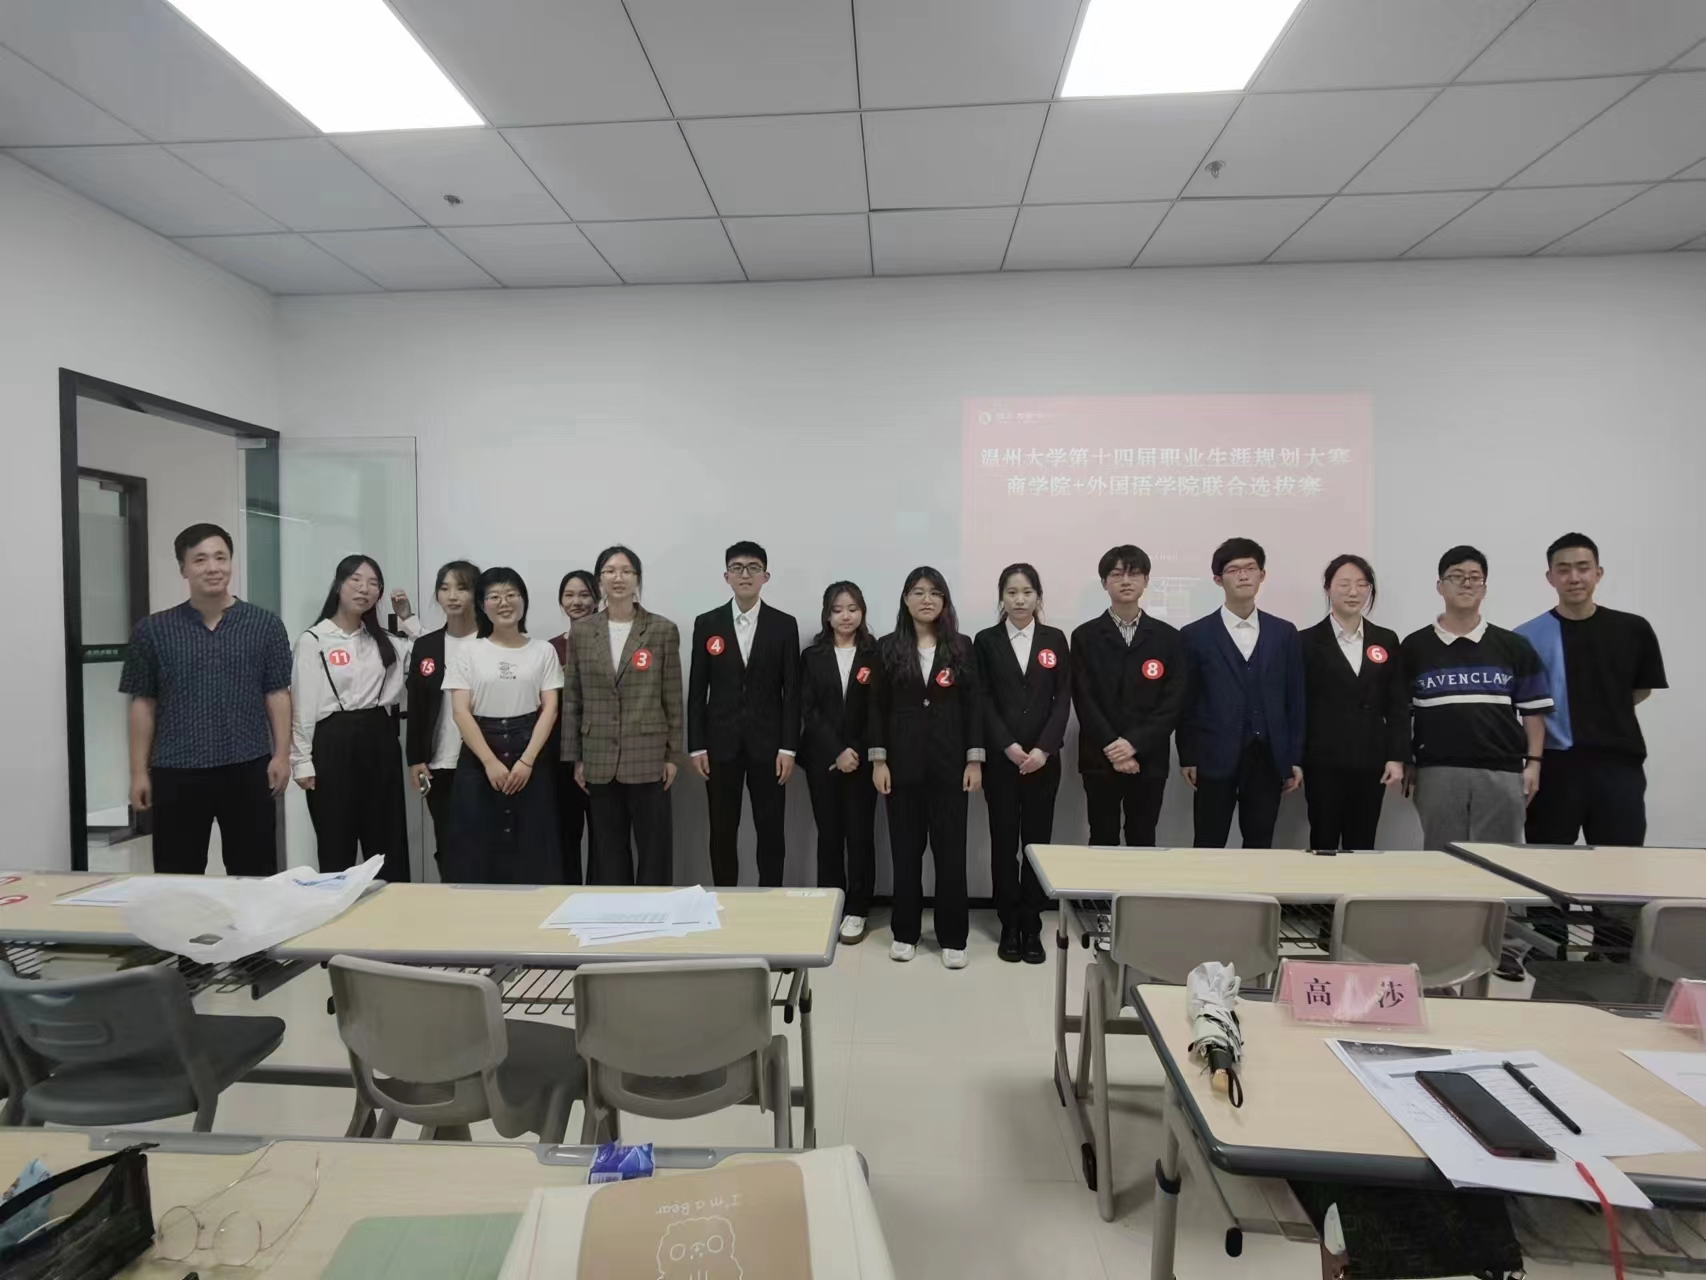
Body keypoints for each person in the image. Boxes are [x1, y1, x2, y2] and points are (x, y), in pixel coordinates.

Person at [1401, 546, 1552, 978]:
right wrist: (1407, 760)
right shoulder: (1415, 646)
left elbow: (1533, 713)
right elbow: (1401, 713)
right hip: (1438, 770)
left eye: (1474, 577)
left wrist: (1534, 763)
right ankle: (1443, 946)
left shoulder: (1513, 645)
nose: (1466, 584)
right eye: (1456, 576)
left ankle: (1505, 947)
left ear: (1485, 587)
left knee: (1502, 862)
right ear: (1439, 586)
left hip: (1501, 770)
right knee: (1442, 860)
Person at [120, 523, 292, 876]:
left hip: (248, 766)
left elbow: (277, 692)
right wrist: (138, 772)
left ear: (231, 563)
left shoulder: (265, 625)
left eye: (220, 558)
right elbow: (143, 703)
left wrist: (282, 755)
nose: (212, 568)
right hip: (176, 771)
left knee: (255, 873)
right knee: (177, 875)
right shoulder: (152, 630)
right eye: (200, 559)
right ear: (183, 568)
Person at [1516, 534, 1667, 847]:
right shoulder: (1526, 637)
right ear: (1550, 577)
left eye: (1583, 568)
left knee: (1620, 865)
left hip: (1619, 767)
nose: (1574, 577)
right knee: (1546, 865)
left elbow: (1641, 690)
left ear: (1598, 573)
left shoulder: (1633, 630)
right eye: (1563, 569)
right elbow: (1525, 705)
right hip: (1554, 768)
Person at [869, 567, 984, 970]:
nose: (926, 600)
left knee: (951, 855)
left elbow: (974, 707)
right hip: (901, 769)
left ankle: (953, 937)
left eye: (935, 593)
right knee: (905, 854)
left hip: (951, 768)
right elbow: (876, 708)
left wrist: (974, 760)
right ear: (905, 599)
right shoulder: (887, 647)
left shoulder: (962, 646)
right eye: (918, 592)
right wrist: (879, 761)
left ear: (944, 601)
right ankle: (905, 932)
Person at [291, 554, 419, 881]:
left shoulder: (387, 641)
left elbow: (431, 656)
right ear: (338, 585)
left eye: (373, 584)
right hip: (332, 742)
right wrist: (301, 760)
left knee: (388, 839)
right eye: (356, 580)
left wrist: (407, 619)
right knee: (336, 839)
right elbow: (303, 705)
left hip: (380, 737)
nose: (364, 589)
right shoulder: (314, 639)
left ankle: (393, 908)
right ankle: (337, 906)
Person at [560, 546, 684, 886]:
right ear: (599, 580)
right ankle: (615, 911)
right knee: (608, 848)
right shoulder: (583, 632)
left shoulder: (661, 629)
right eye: (610, 571)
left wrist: (673, 756)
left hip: (649, 755)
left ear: (637, 580)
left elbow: (672, 697)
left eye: (626, 571)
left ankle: (655, 911)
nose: (618, 578)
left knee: (654, 847)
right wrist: (576, 758)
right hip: (598, 755)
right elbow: (573, 698)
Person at [1179, 537, 1305, 849]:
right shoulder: (1195, 635)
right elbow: (1187, 702)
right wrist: (1188, 756)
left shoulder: (1284, 632)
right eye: (1234, 570)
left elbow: (1294, 699)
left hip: (1267, 756)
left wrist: (1293, 757)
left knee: (1260, 843)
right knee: (1208, 843)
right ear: (1218, 580)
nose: (1244, 576)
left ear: (1262, 575)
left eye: (1250, 568)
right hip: (1213, 754)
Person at [688, 542, 801, 886]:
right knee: (722, 830)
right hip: (720, 746)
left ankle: (771, 900)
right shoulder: (707, 623)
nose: (745, 574)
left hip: (770, 747)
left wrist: (788, 748)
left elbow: (792, 693)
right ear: (726, 577)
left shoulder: (784, 625)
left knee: (771, 830)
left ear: (766, 576)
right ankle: (725, 899)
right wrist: (696, 746)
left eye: (753, 568)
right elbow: (697, 690)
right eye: (737, 568)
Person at [975, 563, 1070, 965]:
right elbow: (982, 699)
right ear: (1002, 597)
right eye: (1011, 592)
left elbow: (1063, 698)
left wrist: (1044, 749)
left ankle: (1031, 924)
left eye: (1027, 592)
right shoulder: (986, 641)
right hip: (1002, 762)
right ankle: (1008, 923)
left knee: (1036, 845)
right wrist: (1008, 746)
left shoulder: (1054, 639)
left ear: (1038, 597)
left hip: (1043, 763)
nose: (1019, 600)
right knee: (1003, 843)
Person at [442, 567, 562, 884]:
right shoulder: (468, 651)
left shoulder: (543, 651)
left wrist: (527, 761)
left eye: (511, 594)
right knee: (476, 845)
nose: (504, 602)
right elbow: (460, 712)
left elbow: (550, 708)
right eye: (494, 596)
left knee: (533, 844)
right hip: (480, 752)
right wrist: (489, 762)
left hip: (530, 748)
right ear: (482, 605)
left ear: (524, 601)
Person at [1070, 544, 1187, 850]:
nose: (1125, 581)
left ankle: (1140, 888)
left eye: (1134, 573)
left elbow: (1172, 703)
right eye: (1116, 574)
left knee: (1143, 838)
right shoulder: (1084, 636)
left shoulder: (1169, 638)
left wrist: (1133, 744)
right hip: (1099, 756)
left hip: (1149, 758)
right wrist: (1114, 747)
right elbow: (1083, 698)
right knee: (1102, 837)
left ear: (1146, 580)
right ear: (1104, 583)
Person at [1300, 555, 1408, 851]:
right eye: (1344, 584)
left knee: (1362, 843)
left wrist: (1396, 757)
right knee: (1323, 840)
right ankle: (1321, 885)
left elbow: (1397, 703)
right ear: (1328, 588)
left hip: (1371, 760)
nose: (1353, 592)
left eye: (1362, 585)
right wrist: (1294, 758)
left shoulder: (1385, 639)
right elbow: (1298, 706)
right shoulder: (1305, 642)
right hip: (1322, 760)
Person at [799, 582, 879, 943]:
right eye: (837, 610)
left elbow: (878, 710)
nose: (845, 616)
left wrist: (854, 751)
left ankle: (858, 909)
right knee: (829, 836)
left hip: (864, 761)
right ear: (827, 615)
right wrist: (836, 751)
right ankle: (830, 904)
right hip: (823, 761)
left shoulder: (875, 653)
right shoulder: (812, 656)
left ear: (862, 612)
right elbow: (809, 710)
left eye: (852, 608)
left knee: (860, 836)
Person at [403, 560, 480, 878]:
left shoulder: (490, 642)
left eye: (462, 588)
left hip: (483, 761)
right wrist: (415, 758)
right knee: (448, 842)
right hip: (438, 763)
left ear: (476, 593)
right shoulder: (427, 645)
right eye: (445, 588)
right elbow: (417, 706)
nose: (453, 596)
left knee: (484, 843)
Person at [549, 570, 601, 884]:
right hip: (558, 753)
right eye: (569, 595)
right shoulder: (550, 649)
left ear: (597, 599)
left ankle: (599, 898)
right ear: (561, 601)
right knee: (564, 835)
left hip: (600, 751)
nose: (576, 602)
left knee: (603, 838)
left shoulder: (610, 644)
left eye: (584, 595)